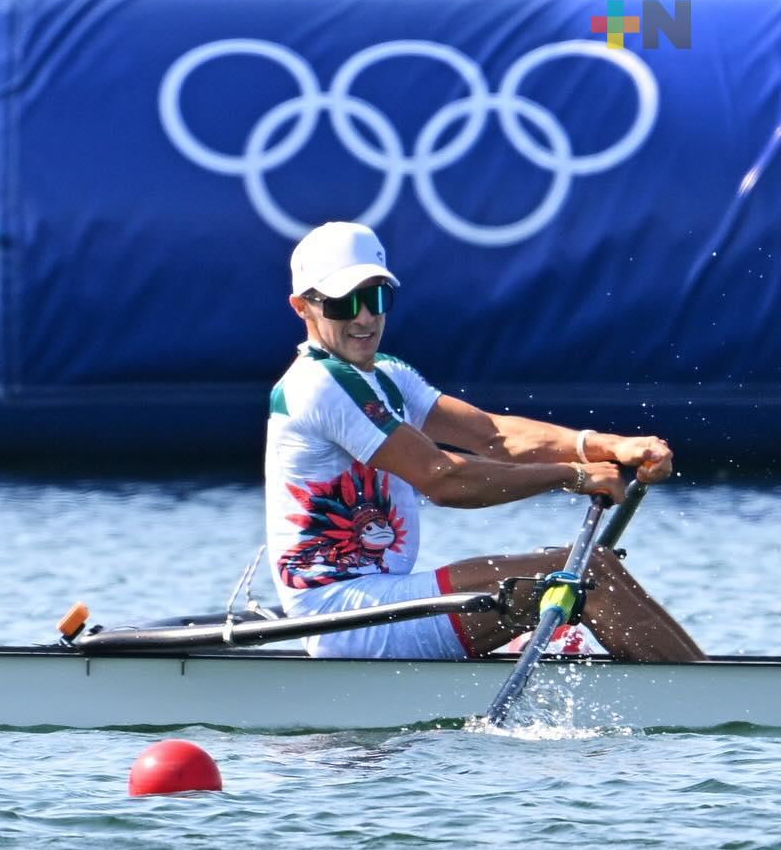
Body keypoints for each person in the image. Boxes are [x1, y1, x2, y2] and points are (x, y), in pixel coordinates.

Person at [265, 221, 704, 662]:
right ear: (302, 307)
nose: (364, 317)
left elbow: (493, 436)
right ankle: (711, 706)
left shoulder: (385, 375)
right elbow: (443, 479)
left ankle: (707, 686)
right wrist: (574, 476)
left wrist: (612, 446)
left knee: (593, 568)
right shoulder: (318, 384)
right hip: (345, 616)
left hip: (380, 602)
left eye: (377, 297)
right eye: (344, 303)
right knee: (587, 573)